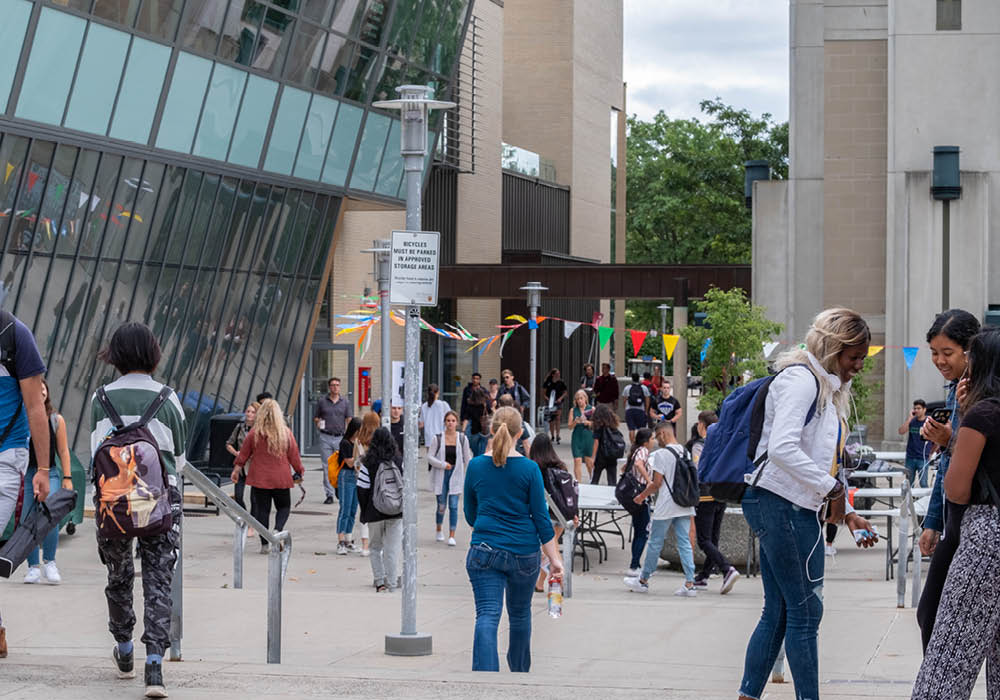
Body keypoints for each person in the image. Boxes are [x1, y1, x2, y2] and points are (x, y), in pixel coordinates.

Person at [737, 308, 877, 700]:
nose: (859, 367)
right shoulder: (802, 381)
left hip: (785, 504)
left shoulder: (823, 387)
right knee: (804, 614)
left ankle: (748, 695)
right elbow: (782, 448)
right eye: (854, 358)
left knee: (780, 613)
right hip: (782, 505)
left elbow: (819, 458)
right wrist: (832, 490)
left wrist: (845, 510)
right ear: (834, 349)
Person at [91, 322, 184, 697]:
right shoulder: (168, 397)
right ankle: (155, 668)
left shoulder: (102, 397)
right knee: (158, 580)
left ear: (114, 355)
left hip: (113, 503)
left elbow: (97, 449)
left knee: (119, 575)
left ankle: (125, 650)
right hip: (160, 504)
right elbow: (178, 458)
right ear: (153, 352)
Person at [911, 327, 1000, 699]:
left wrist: (959, 427)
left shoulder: (983, 414)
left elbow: (957, 489)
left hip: (986, 534)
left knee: (950, 655)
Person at [463, 406, 564, 672]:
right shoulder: (530, 469)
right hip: (524, 552)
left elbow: (470, 515)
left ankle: (485, 680)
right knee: (520, 615)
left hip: (484, 549)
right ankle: (519, 674)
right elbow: (542, 519)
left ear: (492, 430)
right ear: (521, 433)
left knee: (487, 614)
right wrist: (555, 560)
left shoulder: (475, 466)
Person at [916, 308, 981, 653]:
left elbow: (977, 450)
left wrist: (950, 439)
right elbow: (946, 465)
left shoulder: (984, 392)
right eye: (934, 353)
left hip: (981, 517)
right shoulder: (959, 387)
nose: (940, 361)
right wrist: (933, 522)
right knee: (931, 612)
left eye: (947, 353)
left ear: (971, 350)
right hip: (956, 517)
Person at [624, 422, 697, 596]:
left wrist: (641, 497)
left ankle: (643, 580)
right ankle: (690, 583)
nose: (657, 440)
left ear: (663, 434)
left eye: (657, 437)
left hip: (666, 505)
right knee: (684, 543)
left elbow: (657, 483)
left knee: (655, 542)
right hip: (684, 503)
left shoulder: (661, 455)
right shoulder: (685, 451)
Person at [232, 399, 304, 553]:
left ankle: (264, 544)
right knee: (283, 507)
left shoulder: (254, 433)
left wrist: (236, 470)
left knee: (262, 511)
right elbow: (294, 456)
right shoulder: (285, 433)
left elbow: (243, 454)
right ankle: (277, 530)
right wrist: (299, 471)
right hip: (281, 478)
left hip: (260, 479)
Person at [21, 379, 73, 585]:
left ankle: (50, 562)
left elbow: (63, 451)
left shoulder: (55, 420)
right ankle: (33, 567)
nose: (40, 392)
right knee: (28, 519)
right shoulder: (22, 419)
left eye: (44, 388)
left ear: (47, 393)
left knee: (51, 516)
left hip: (49, 472)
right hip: (26, 474)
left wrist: (67, 478)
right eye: (37, 389)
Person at [689, 410, 739, 593]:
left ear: (702, 425)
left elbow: (697, 468)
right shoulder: (724, 443)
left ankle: (727, 568)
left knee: (704, 539)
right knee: (713, 538)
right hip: (721, 493)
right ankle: (703, 576)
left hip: (705, 494)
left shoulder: (700, 445)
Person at [528, 434, 580, 590]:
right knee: (553, 545)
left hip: (546, 514)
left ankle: (561, 581)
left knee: (550, 549)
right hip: (563, 514)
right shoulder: (560, 467)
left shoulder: (535, 468)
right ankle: (540, 584)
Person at [357, 427, 403, 592]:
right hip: (396, 512)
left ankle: (379, 582)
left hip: (374, 512)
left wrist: (365, 511)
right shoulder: (398, 461)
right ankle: (391, 582)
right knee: (392, 549)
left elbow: (362, 489)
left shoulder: (367, 463)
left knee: (375, 547)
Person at [427, 410, 472, 546]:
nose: (450, 423)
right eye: (448, 421)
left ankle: (452, 534)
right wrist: (442, 464)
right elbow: (430, 457)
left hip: (456, 474)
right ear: (445, 422)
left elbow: (467, 458)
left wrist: (472, 471)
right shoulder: (438, 438)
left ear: (457, 422)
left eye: (453, 421)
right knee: (441, 506)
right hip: (442, 474)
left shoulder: (462, 439)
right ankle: (439, 529)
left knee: (453, 506)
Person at [314, 377, 353, 505]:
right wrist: (318, 423)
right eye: (333, 385)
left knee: (340, 465)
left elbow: (349, 419)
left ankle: (339, 491)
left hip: (340, 437)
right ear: (329, 387)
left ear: (339, 387)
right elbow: (316, 417)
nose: (335, 387)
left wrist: (349, 436)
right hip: (325, 436)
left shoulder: (345, 402)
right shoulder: (322, 402)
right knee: (327, 466)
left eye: (337, 385)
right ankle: (329, 494)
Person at [622, 428, 653, 577]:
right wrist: (648, 481)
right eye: (652, 439)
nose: (653, 441)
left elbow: (625, 468)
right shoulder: (643, 451)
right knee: (643, 532)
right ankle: (634, 565)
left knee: (639, 531)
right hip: (640, 496)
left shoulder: (634, 451)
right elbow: (639, 465)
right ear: (646, 441)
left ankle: (635, 564)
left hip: (633, 497)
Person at [351, 412, 380, 555]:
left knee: (364, 511)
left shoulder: (358, 441)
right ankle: (377, 543)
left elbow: (355, 460)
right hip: (376, 477)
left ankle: (365, 545)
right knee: (377, 510)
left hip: (362, 479)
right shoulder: (378, 439)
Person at [335, 417, 362, 555]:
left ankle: (349, 540)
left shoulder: (359, 442)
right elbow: (351, 463)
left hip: (357, 476)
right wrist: (359, 454)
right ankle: (340, 541)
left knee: (353, 509)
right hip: (346, 476)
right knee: (344, 509)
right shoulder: (345, 443)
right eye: (360, 430)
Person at [226, 401, 258, 511]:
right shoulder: (240, 427)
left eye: (253, 412)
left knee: (255, 498)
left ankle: (253, 522)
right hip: (241, 466)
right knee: (238, 496)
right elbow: (229, 443)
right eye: (248, 411)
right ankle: (245, 516)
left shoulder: (259, 429)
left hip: (254, 466)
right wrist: (236, 453)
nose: (249, 414)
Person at [898, 399, 931, 488]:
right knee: (909, 482)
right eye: (915, 408)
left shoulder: (929, 422)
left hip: (923, 457)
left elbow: (936, 441)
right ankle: (909, 500)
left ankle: (925, 501)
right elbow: (901, 431)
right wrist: (909, 419)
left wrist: (931, 452)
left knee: (923, 483)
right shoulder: (912, 421)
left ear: (924, 409)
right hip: (910, 457)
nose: (916, 410)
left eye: (919, 408)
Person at [590, 404, 621, 485]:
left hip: (601, 456)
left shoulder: (599, 425)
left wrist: (593, 458)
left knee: (595, 479)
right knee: (612, 480)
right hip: (612, 455)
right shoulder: (613, 425)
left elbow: (596, 442)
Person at [568, 390, 594, 482]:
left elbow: (596, 424)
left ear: (585, 399)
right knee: (577, 460)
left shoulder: (591, 409)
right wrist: (575, 422)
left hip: (588, 437)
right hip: (577, 437)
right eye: (577, 399)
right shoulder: (573, 410)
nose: (579, 401)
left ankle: (592, 479)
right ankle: (579, 482)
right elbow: (569, 426)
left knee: (589, 461)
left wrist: (588, 423)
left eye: (581, 398)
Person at [542, 368, 568, 444]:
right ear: (553, 374)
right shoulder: (547, 382)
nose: (558, 375)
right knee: (551, 419)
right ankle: (552, 435)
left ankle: (558, 435)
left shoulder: (561, 382)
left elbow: (565, 392)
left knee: (558, 418)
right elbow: (543, 393)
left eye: (559, 374)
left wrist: (560, 398)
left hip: (558, 402)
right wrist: (548, 399)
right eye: (557, 374)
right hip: (550, 403)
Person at [624, 372, 651, 443]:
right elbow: (647, 400)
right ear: (639, 379)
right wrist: (646, 410)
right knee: (641, 429)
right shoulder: (644, 388)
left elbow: (624, 400)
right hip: (640, 410)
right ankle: (639, 444)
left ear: (632, 379)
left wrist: (626, 409)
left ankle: (633, 444)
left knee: (631, 429)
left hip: (629, 410)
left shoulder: (627, 388)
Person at [464, 386, 490, 457]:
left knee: (475, 452)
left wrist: (463, 430)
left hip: (474, 431)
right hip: (484, 431)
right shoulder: (485, 404)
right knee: (482, 452)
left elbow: (466, 417)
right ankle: (481, 464)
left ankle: (476, 463)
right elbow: (490, 412)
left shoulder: (470, 405)